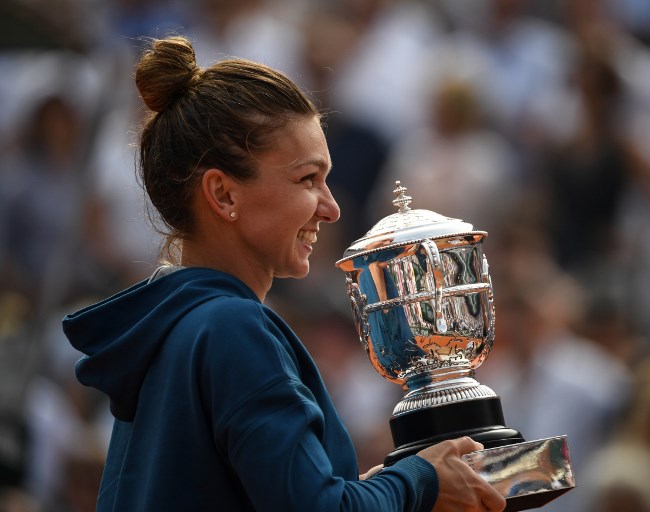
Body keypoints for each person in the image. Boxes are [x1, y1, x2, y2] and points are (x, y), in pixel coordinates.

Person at [61, 36, 506, 512]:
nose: (332, 208)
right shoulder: (231, 328)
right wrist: (420, 479)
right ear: (224, 195)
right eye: (307, 179)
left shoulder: (174, 329)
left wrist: (379, 490)